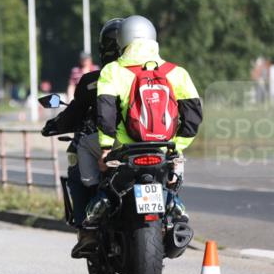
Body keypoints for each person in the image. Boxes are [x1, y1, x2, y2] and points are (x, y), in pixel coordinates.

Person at [83, 14, 202, 230]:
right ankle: (174, 203)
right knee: (173, 178)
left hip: (124, 146)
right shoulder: (177, 72)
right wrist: (177, 146)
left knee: (85, 147)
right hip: (166, 148)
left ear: (122, 40)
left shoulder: (113, 71)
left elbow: (106, 112)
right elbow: (194, 115)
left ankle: (99, 203)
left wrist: (106, 147)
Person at [42, 18, 122, 258]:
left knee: (78, 176)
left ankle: (87, 230)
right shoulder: (154, 75)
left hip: (103, 142)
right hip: (149, 142)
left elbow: (75, 111)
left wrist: (54, 125)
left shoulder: (93, 81)